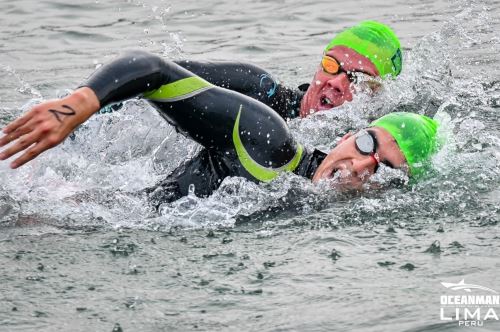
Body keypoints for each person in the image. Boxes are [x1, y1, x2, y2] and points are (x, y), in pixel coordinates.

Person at [0, 50, 436, 208]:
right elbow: (154, 69)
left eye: (383, 170)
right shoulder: (268, 139)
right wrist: (78, 106)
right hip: (57, 212)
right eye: (366, 143)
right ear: (347, 133)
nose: (362, 165)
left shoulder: (313, 208)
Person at [101, 20, 402, 119]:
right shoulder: (257, 89)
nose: (336, 82)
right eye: (330, 65)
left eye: (357, 79)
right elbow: (149, 72)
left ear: (376, 95)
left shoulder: (362, 148)